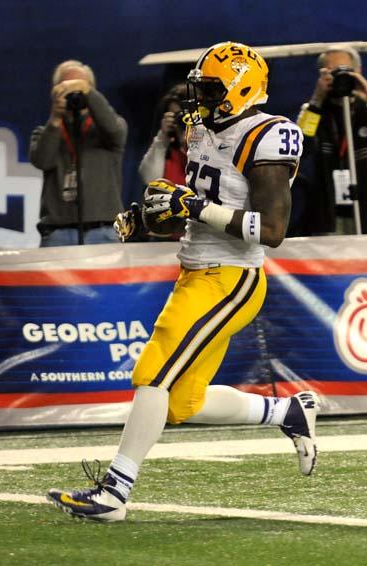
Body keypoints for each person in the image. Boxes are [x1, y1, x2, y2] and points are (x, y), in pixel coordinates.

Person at [47, 42, 320, 522]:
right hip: (196, 270)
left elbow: (271, 231)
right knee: (180, 402)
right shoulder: (200, 130)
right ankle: (287, 413)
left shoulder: (267, 134)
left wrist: (192, 206)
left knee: (152, 374)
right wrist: (150, 216)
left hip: (233, 278)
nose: (199, 99)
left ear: (239, 89)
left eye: (210, 90)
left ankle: (114, 493)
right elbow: (192, 209)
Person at [296, 45, 367, 235]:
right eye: (331, 72)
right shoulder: (315, 112)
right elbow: (299, 147)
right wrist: (316, 100)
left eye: (345, 71)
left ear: (359, 72)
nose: (339, 77)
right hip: (328, 219)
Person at [29, 60, 127, 247]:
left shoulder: (109, 129)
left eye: (80, 88)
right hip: (58, 234)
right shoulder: (44, 132)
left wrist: (89, 94)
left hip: (104, 231)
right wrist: (55, 119)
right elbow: (43, 160)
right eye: (66, 88)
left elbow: (114, 131)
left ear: (93, 92)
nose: (74, 94)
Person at [138, 83, 188, 240]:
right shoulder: (164, 146)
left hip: (199, 235)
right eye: (174, 115)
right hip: (164, 237)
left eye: (182, 114)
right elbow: (149, 178)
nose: (179, 119)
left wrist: (189, 139)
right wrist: (162, 138)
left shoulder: (211, 144)